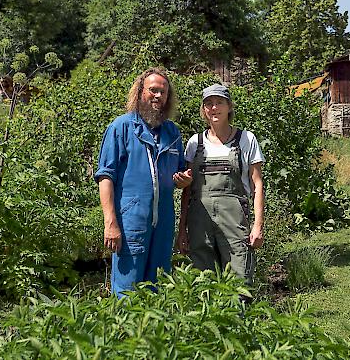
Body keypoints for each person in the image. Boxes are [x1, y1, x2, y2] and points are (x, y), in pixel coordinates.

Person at [95, 67, 193, 296]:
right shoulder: (121, 128)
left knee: (158, 286)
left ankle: (152, 333)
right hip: (131, 222)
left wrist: (184, 181)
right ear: (140, 92)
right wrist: (110, 223)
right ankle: (124, 332)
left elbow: (179, 176)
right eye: (153, 90)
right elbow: (105, 177)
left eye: (164, 92)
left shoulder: (172, 133)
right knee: (127, 290)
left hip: (164, 223)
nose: (158, 96)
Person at [177, 84, 264, 285]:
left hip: (234, 222)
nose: (214, 108)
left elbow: (257, 185)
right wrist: (182, 229)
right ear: (203, 110)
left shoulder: (246, 139)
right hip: (199, 224)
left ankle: (241, 316)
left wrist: (258, 225)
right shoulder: (194, 143)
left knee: (240, 278)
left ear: (229, 107)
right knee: (203, 280)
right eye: (209, 104)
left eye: (219, 103)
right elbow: (187, 191)